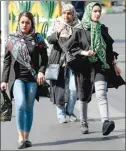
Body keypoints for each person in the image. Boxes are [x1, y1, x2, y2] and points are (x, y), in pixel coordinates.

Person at [61, 2, 125, 135]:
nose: (97, 13)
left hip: (100, 65)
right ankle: (84, 121)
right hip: (84, 66)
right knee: (84, 96)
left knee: (102, 93)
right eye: (95, 11)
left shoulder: (102, 28)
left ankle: (105, 122)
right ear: (89, 12)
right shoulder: (79, 29)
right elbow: (69, 47)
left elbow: (109, 49)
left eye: (99, 11)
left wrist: (114, 65)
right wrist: (85, 53)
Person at [0, 11, 48, 149]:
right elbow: (7, 61)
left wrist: (41, 71)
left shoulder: (38, 38)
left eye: (27, 22)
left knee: (28, 107)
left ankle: (27, 137)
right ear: (18, 23)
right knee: (20, 105)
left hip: (33, 78)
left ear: (32, 23)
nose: (24, 25)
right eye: (22, 22)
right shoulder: (12, 39)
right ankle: (20, 138)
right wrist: (3, 80)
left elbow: (45, 59)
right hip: (17, 78)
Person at [47, 4, 82, 124]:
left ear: (73, 14)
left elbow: (82, 42)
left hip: (73, 61)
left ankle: (70, 111)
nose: (66, 16)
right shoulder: (57, 23)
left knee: (73, 88)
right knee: (59, 88)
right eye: (64, 13)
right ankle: (61, 114)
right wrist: (59, 31)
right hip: (58, 60)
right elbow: (50, 40)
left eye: (69, 13)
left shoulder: (78, 25)